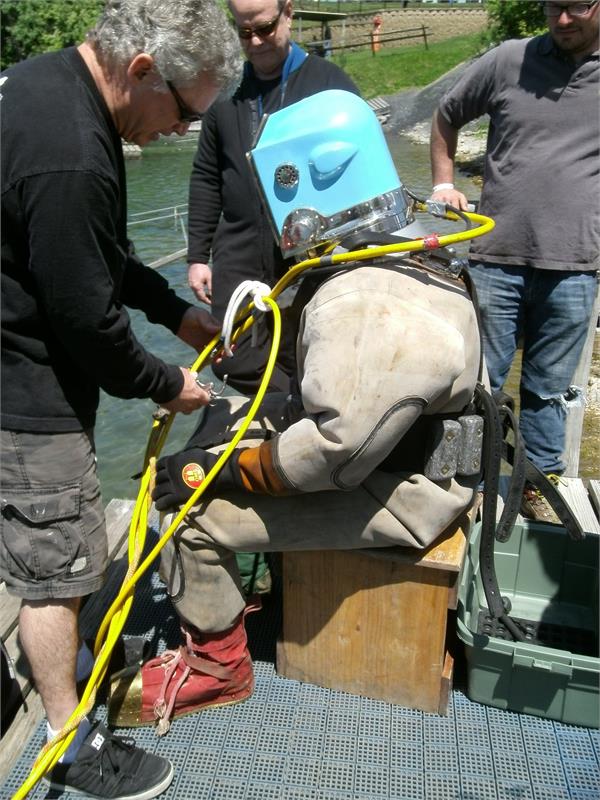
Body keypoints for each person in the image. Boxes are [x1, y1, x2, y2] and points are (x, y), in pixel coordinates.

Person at [107, 89, 485, 734]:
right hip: (409, 464)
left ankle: (218, 666)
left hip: (407, 494)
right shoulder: (412, 242)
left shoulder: (364, 301)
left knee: (182, 515)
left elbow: (334, 452)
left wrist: (219, 472)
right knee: (226, 431)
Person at [0, 1, 241, 797]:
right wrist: (169, 384)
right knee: (59, 569)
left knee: (48, 552)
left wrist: (174, 311)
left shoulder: (51, 85)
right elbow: (88, 321)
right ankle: (68, 742)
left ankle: (61, 673)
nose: (180, 131)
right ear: (142, 70)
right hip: (24, 389)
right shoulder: (70, 153)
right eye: (184, 112)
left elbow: (100, 255)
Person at [429, 0, 599, 522]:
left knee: (548, 392)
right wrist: (442, 183)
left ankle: (536, 491)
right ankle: (466, 490)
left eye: (576, 6)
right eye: (553, 6)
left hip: (575, 266)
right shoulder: (509, 60)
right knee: (477, 387)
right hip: (495, 260)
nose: (562, 19)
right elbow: (447, 115)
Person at [186, 0, 359, 394]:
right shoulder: (225, 93)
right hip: (239, 251)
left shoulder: (330, 85)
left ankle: (300, 412)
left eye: (264, 28)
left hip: (312, 255)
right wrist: (197, 256)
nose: (255, 42)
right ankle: (283, 406)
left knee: (314, 355)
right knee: (231, 359)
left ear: (289, 14)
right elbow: (207, 176)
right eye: (244, 32)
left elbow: (358, 169)